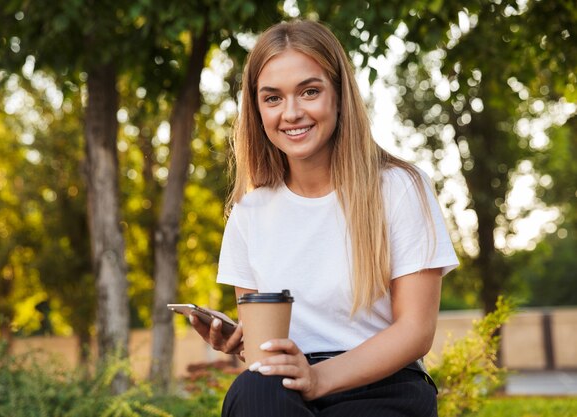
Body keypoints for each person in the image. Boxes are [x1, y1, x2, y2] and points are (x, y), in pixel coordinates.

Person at [189, 19, 459, 417]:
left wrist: (320, 379)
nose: (292, 113)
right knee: (252, 389)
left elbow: (416, 331)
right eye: (273, 98)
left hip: (383, 388)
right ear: (257, 109)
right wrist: (241, 342)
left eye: (309, 91)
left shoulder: (400, 187)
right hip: (289, 388)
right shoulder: (249, 213)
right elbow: (265, 352)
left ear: (339, 96)